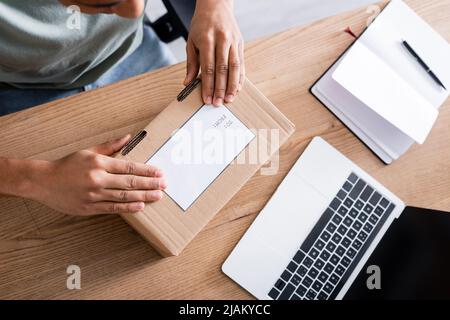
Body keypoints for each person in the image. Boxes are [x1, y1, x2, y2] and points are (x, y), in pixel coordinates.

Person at [0, 0, 245, 216]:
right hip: (23, 90)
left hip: (132, 50)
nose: (135, 11)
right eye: (104, 3)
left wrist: (215, 6)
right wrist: (35, 179)